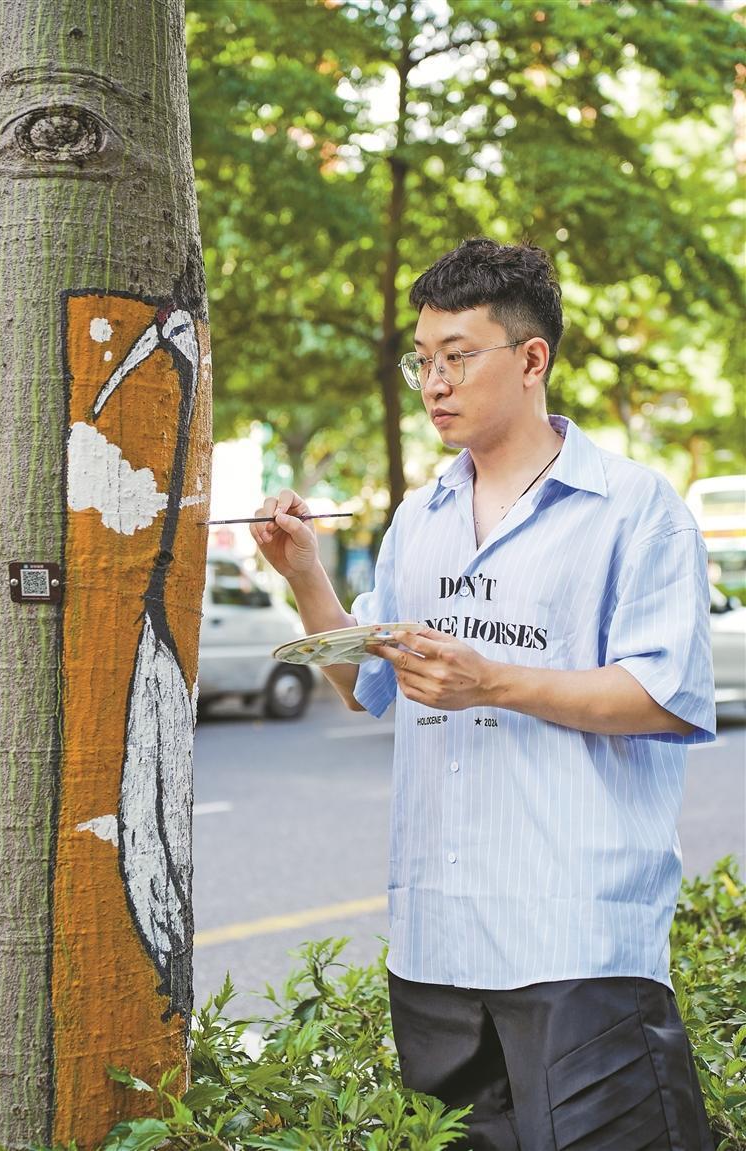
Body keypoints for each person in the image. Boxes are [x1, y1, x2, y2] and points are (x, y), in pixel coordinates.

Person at [250, 238, 716, 1151]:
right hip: (437, 946)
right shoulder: (418, 518)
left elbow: (664, 695)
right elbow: (365, 681)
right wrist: (304, 573)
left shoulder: (634, 508)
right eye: (422, 360)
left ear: (532, 358)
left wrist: (491, 680)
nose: (434, 382)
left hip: (576, 939)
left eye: (458, 356)